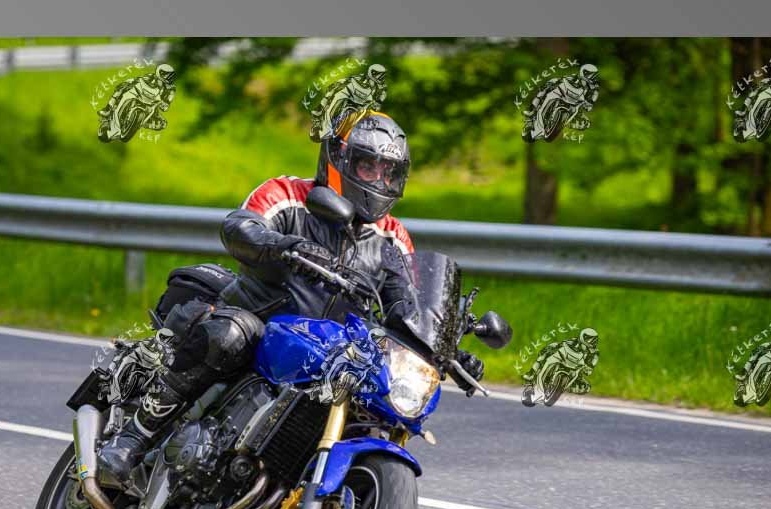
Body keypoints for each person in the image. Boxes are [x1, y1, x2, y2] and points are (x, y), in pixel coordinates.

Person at [97, 111, 486, 482]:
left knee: (376, 392)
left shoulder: (393, 237)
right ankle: (134, 437)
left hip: (328, 348)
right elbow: (240, 226)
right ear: (338, 159)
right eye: (369, 167)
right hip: (260, 320)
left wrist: (438, 349)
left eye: (389, 172)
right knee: (232, 333)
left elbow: (405, 305)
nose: (379, 179)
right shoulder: (288, 195)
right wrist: (283, 246)